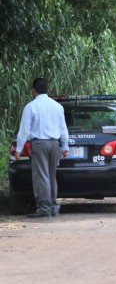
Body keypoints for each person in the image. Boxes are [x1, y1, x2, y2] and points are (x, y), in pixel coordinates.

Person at [15, 78, 69, 218]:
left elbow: (24, 130)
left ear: (34, 90)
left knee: (41, 176)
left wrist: (19, 149)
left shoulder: (31, 107)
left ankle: (44, 208)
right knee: (51, 176)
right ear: (47, 89)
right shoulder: (57, 106)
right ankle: (53, 207)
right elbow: (63, 128)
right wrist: (65, 146)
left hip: (39, 144)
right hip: (55, 144)